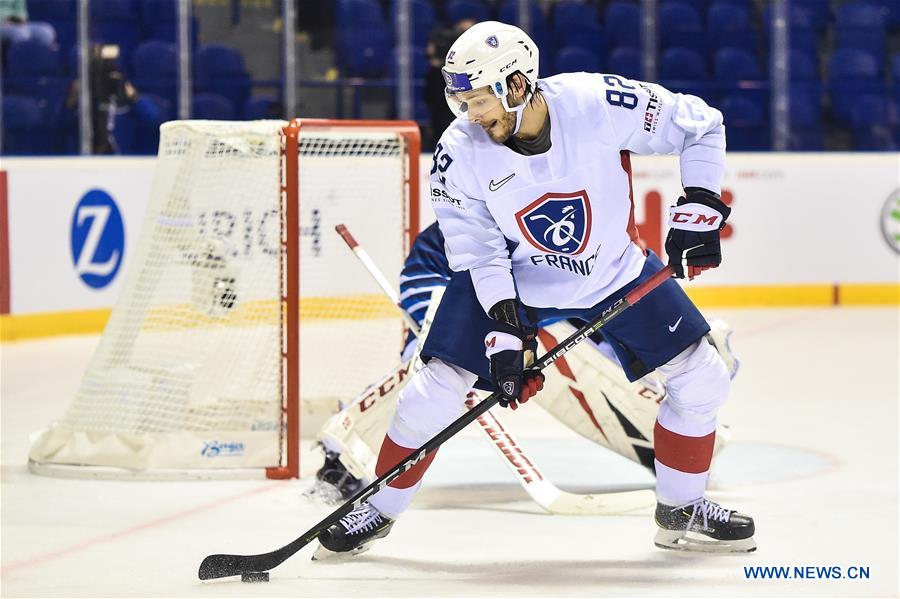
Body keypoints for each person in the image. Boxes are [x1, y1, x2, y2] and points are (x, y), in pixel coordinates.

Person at [315, 21, 755, 558]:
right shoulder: (461, 150)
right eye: (462, 102)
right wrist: (505, 328)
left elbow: (701, 125)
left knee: (702, 376)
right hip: (517, 281)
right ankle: (378, 509)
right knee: (435, 385)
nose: (471, 116)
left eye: (479, 101)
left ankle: (681, 509)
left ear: (518, 84)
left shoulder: (598, 102)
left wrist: (701, 206)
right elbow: (476, 249)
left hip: (614, 271)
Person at [313, 222, 739, 504]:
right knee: (437, 372)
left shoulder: (597, 244)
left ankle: (652, 441)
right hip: (449, 273)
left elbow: (599, 337)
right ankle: (345, 454)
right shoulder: (497, 216)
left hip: (532, 287)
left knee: (575, 350)